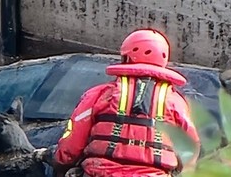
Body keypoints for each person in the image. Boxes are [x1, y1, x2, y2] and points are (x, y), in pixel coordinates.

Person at [50, 28, 201, 177]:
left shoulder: (100, 95)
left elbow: (73, 140)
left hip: (101, 172)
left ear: (127, 57)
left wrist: (60, 164)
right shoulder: (176, 102)